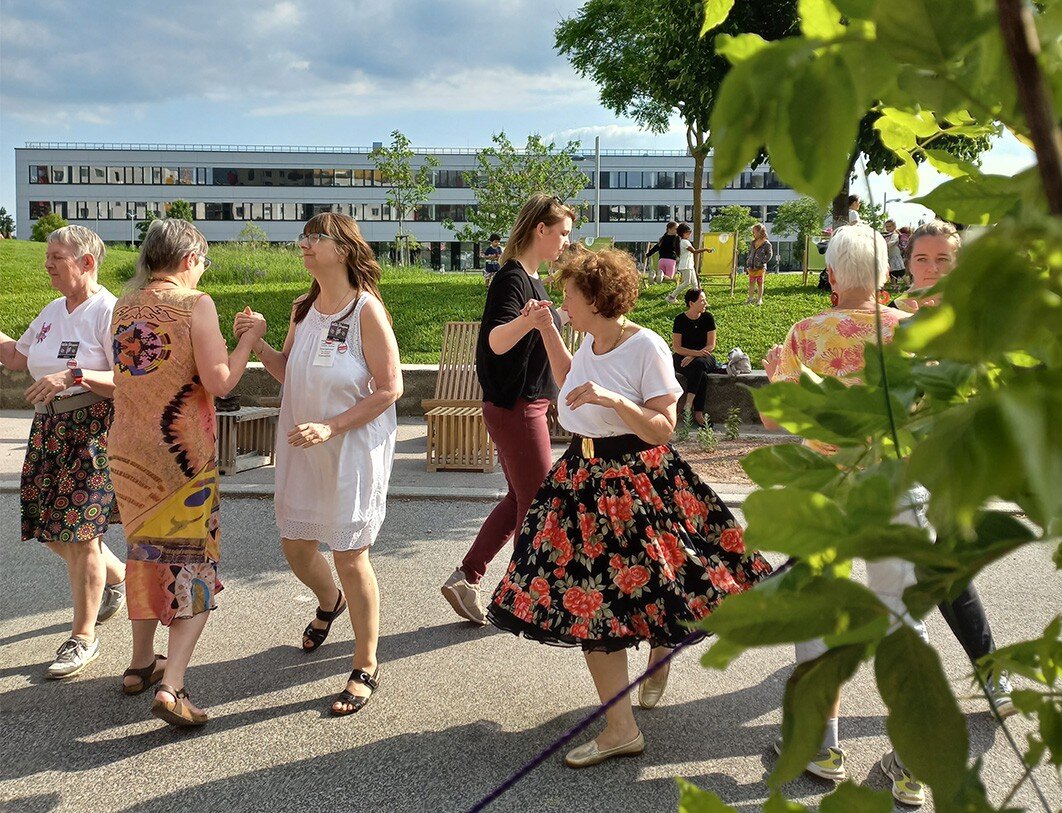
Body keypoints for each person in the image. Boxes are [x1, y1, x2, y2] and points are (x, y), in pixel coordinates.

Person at [488, 245, 772, 769]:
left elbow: (664, 427)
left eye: (568, 294)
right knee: (594, 603)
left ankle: (655, 662)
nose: (561, 300)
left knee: (648, 587)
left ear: (594, 297)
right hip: (581, 479)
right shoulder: (590, 340)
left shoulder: (648, 346)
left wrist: (615, 401)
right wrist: (547, 331)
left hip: (636, 479)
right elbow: (576, 384)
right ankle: (623, 724)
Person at [763, 224, 924, 806]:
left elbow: (777, 422)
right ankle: (911, 762)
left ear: (831, 276)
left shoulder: (804, 334)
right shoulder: (911, 333)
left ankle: (822, 745)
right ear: (888, 276)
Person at [241, 212, 402, 716]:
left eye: (316, 238)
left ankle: (365, 663)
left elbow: (390, 388)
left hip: (351, 449)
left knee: (352, 555)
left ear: (345, 248)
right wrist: (258, 340)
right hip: (303, 446)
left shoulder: (365, 310)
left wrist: (333, 426)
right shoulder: (303, 307)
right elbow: (287, 371)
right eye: (304, 238)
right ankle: (329, 601)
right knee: (295, 546)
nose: (305, 245)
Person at [109, 218, 265, 726]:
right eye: (203, 263)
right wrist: (253, 339)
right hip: (180, 459)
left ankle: (139, 664)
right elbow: (219, 382)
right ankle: (172, 686)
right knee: (191, 565)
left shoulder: (123, 305)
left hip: (128, 452)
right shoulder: (195, 305)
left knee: (145, 556)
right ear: (189, 259)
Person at [895, 221, 1014, 716]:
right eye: (923, 260)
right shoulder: (893, 322)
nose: (932, 269)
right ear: (908, 266)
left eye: (944, 260)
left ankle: (988, 675)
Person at [440, 194, 574, 625]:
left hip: (523, 405)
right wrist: (529, 321)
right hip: (515, 408)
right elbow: (496, 341)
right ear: (541, 229)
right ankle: (522, 596)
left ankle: (467, 576)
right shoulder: (512, 280)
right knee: (536, 504)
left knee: (521, 496)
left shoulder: (532, 281)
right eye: (563, 234)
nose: (566, 243)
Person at [0, 226, 125, 679]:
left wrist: (72, 376)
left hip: (92, 431)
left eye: (56, 256)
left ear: (87, 262)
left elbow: (128, 380)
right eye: (47, 255)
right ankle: (118, 576)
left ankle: (82, 638)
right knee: (49, 527)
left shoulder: (110, 311)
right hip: (49, 427)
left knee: (80, 535)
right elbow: (17, 356)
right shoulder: (53, 310)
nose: (47, 263)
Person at [671, 288, 717, 428]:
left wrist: (693, 355)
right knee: (700, 374)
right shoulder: (680, 319)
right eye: (702, 300)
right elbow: (677, 348)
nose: (705, 303)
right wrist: (692, 355)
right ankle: (698, 414)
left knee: (699, 365)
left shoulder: (708, 318)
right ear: (691, 303)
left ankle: (688, 404)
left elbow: (711, 345)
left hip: (705, 356)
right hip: (682, 357)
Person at [665, 223, 706, 304]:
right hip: (686, 265)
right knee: (686, 283)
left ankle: (698, 300)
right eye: (688, 233)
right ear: (683, 233)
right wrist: (705, 249)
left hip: (689, 265)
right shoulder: (684, 242)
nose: (690, 234)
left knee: (695, 284)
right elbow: (694, 251)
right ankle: (671, 297)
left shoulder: (684, 241)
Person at [744, 223, 773, 305]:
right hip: (751, 267)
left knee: (760, 283)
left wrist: (763, 261)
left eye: (754, 232)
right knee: (751, 283)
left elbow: (769, 254)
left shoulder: (766, 244)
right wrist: (748, 262)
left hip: (760, 268)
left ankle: (759, 299)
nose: (753, 234)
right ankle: (750, 298)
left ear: (760, 232)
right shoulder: (753, 243)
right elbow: (750, 253)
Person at [884, 219, 906, 283]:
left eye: (889, 226)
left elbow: (892, 242)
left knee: (900, 271)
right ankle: (894, 286)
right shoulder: (887, 235)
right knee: (892, 272)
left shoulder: (895, 234)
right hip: (890, 256)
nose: (887, 228)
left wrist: (884, 244)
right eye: (886, 227)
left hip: (895, 255)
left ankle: (908, 284)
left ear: (894, 227)